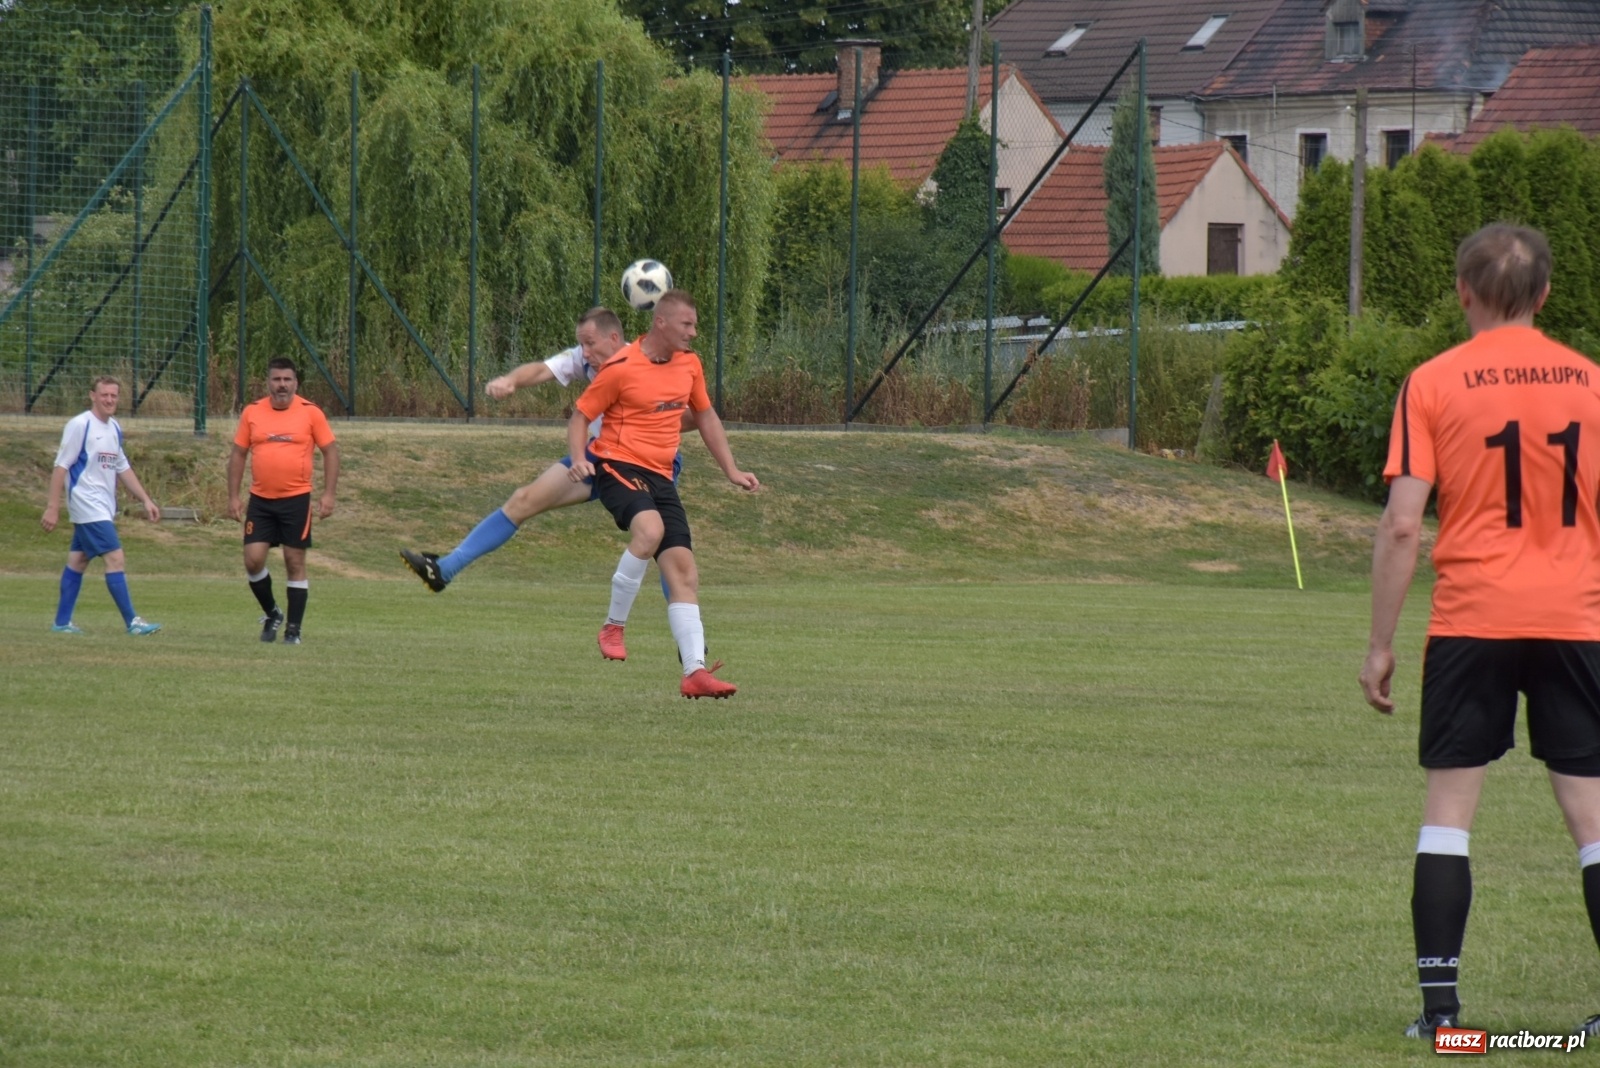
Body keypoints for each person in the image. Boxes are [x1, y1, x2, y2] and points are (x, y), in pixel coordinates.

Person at [1360, 224, 1600, 1039]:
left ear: (1462, 291)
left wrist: (1380, 644)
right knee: (1592, 821)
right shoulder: (1593, 384)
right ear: (1544, 296)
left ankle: (1443, 1016)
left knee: (1448, 814)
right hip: (1578, 621)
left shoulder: (1431, 382)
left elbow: (1401, 526)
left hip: (1472, 621)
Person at [400, 307, 677, 591]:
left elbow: (684, 411)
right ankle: (443, 570)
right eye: (581, 344)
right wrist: (512, 381)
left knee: (666, 544)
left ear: (615, 338)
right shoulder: (585, 361)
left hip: (648, 462)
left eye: (590, 343)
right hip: (600, 456)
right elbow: (542, 369)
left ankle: (687, 627)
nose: (584, 351)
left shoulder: (645, 363)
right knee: (523, 500)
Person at [567, 289, 758, 699]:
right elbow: (581, 416)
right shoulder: (621, 366)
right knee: (649, 531)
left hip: (660, 476)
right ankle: (613, 626)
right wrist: (577, 459)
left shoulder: (690, 366)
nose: (694, 332)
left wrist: (732, 470)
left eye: (695, 324)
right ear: (662, 322)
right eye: (687, 324)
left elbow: (705, 416)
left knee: (684, 572)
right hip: (616, 465)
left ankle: (695, 672)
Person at [227, 358, 340, 645]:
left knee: (294, 561)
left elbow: (330, 452)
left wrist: (328, 494)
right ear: (268, 383)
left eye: (287, 379)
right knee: (253, 561)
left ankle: (293, 629)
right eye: (276, 379)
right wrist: (233, 497)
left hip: (296, 500)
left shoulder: (310, 413)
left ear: (295, 383)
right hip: (261, 501)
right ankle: (272, 613)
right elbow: (239, 454)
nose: (282, 385)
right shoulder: (253, 412)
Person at [40, 376, 162, 635]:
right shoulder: (80, 425)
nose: (109, 400)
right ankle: (133, 622)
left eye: (113, 396)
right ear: (92, 396)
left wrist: (146, 499)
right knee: (115, 558)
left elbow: (122, 467)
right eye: (104, 395)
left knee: (78, 560)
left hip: (103, 507)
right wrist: (53, 506)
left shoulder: (114, 428)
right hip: (86, 504)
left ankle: (61, 623)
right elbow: (61, 466)